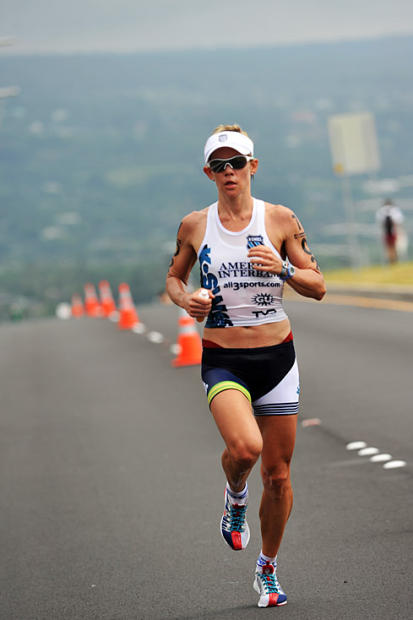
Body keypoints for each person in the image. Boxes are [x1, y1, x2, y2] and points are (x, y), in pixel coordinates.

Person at [166, 124, 326, 608]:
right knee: (246, 448)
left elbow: (318, 286)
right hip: (224, 360)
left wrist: (284, 269)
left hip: (277, 358)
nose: (229, 171)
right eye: (219, 166)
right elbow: (174, 279)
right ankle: (235, 494)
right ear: (208, 173)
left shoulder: (279, 219)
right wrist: (187, 301)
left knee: (277, 476)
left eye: (236, 163)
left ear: (252, 166)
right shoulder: (195, 225)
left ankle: (267, 568)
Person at [376, 198, 405, 264]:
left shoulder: (381, 211)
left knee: (388, 247)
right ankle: (394, 259)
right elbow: (399, 221)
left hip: (385, 232)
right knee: (394, 246)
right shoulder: (395, 210)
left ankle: (391, 260)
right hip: (394, 231)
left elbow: (380, 223)